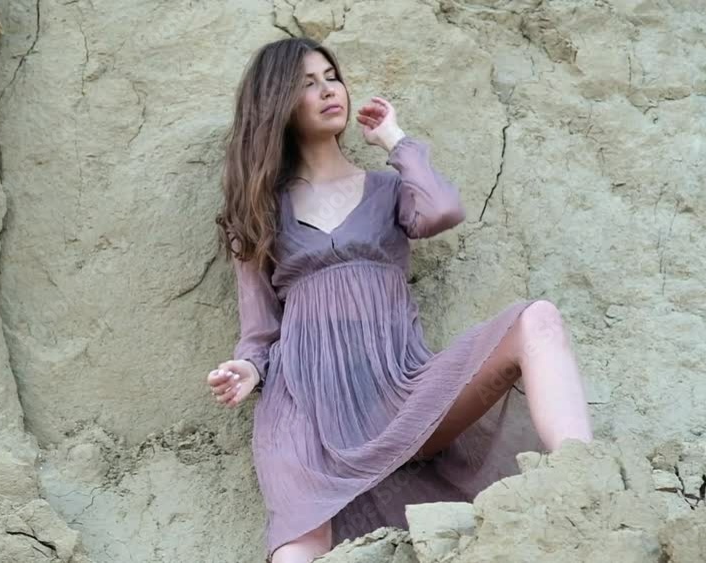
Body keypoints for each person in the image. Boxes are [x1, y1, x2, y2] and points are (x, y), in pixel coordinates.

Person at [208, 37, 594, 563]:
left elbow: (442, 211)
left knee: (539, 320)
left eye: (331, 77)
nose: (328, 91)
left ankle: (586, 479)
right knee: (297, 548)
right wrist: (249, 371)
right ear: (277, 102)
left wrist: (396, 140)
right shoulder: (256, 212)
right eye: (307, 84)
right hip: (305, 407)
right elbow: (259, 332)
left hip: (403, 391)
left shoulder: (387, 190)